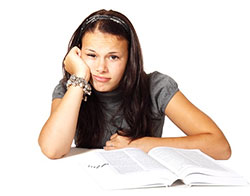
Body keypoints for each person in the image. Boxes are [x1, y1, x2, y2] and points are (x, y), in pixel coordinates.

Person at [38, 9, 231, 160]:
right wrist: (79, 77)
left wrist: (143, 144)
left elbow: (220, 147)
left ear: (130, 58)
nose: (101, 68)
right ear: (78, 54)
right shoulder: (70, 89)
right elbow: (52, 149)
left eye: (113, 57)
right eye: (91, 55)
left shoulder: (156, 87)